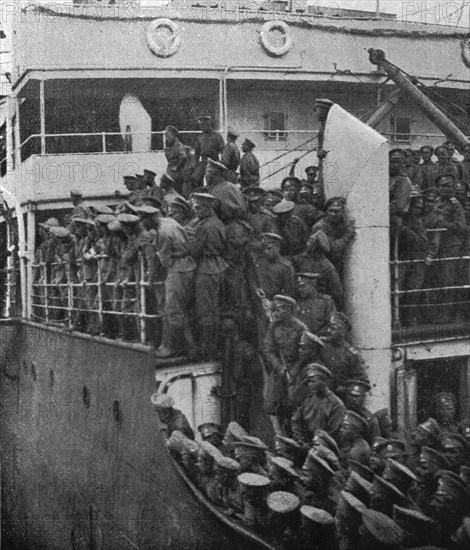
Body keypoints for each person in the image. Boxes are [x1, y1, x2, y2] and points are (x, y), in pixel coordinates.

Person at [137, 205, 197, 359]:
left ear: (150, 218)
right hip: (187, 266)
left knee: (173, 310)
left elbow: (165, 261)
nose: (142, 224)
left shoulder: (162, 233)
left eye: (143, 219)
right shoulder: (169, 221)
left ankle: (173, 347)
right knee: (179, 309)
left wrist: (152, 274)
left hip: (177, 269)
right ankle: (188, 347)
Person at [262, 295, 308, 436]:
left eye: (279, 310)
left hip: (298, 370)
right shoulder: (273, 326)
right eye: (274, 310)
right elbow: (268, 349)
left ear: (288, 310)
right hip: (279, 371)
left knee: (294, 405)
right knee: (274, 405)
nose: (275, 313)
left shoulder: (300, 328)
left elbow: (307, 352)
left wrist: (295, 369)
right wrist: (278, 366)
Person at [190, 192, 228, 360]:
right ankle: (211, 347)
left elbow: (195, 251)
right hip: (218, 266)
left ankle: (207, 350)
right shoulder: (217, 223)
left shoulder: (205, 226)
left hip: (206, 268)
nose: (195, 211)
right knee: (214, 309)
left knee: (205, 311)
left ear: (207, 207)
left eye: (198, 207)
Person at [434, 172, 466, 321]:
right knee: (435, 279)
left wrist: (443, 225)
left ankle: (447, 314)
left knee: (448, 279)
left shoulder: (455, 205)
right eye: (442, 186)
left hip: (450, 245)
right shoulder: (435, 201)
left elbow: (460, 227)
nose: (445, 189)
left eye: (448, 186)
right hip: (435, 245)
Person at [291, 363, 346, 444]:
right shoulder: (308, 400)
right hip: (305, 444)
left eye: (313, 382)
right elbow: (296, 421)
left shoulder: (336, 405)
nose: (310, 385)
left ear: (324, 382)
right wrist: (300, 440)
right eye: (309, 382)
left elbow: (333, 433)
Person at [319, 313, 369, 395]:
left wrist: (344, 390)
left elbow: (362, 382)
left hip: (342, 397)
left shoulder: (351, 355)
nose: (328, 330)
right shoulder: (321, 347)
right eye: (329, 327)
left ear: (342, 332)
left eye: (333, 329)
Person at [292, 231, 344, 310]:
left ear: (315, 246)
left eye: (311, 241)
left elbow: (337, 293)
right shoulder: (301, 259)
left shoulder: (327, 267)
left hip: (319, 305)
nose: (308, 242)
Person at [311, 197, 355, 276]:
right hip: (322, 265)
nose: (333, 214)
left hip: (335, 264)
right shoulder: (320, 226)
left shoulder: (341, 223)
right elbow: (334, 248)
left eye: (337, 211)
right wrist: (348, 234)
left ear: (343, 212)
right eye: (330, 211)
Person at [253, 233, 295, 300]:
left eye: (269, 248)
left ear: (277, 247)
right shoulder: (259, 262)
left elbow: (289, 292)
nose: (266, 251)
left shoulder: (285, 266)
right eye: (264, 249)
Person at [204, 158, 246, 223]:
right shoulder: (230, 185)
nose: (206, 176)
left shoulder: (218, 190)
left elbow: (213, 212)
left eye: (208, 172)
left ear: (215, 174)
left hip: (227, 225)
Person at [192, 115, 225, 187]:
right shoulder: (200, 137)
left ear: (208, 125)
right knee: (195, 179)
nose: (201, 128)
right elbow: (196, 153)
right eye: (200, 126)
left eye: (202, 126)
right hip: (203, 161)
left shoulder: (217, 136)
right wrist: (195, 165)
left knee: (213, 181)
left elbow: (223, 151)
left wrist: (221, 164)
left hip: (214, 161)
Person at [389, 149, 412, 245]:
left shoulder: (404, 181)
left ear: (403, 163)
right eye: (392, 162)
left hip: (394, 221)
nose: (395, 165)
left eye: (398, 162)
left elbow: (397, 206)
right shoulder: (386, 178)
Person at [164, 125, 190, 194]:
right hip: (172, 175)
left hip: (176, 176)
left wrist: (176, 167)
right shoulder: (172, 147)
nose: (167, 139)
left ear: (174, 135)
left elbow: (184, 157)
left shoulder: (178, 145)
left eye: (168, 136)